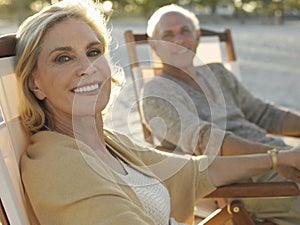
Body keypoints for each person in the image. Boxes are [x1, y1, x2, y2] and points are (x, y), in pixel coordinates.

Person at [16, 1, 300, 225]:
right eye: (63, 58)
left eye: (93, 52)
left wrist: (279, 158)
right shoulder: (59, 167)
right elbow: (208, 143)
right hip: (255, 190)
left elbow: (194, 170)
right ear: (34, 83)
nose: (88, 67)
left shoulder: (111, 143)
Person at [141, 4, 300, 224]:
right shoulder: (157, 93)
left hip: (279, 162)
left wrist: (286, 155)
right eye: (168, 35)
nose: (179, 40)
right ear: (154, 45)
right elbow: (210, 143)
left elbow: (265, 114)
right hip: (241, 181)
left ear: (197, 36)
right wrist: (279, 156)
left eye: (185, 31)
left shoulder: (218, 73)